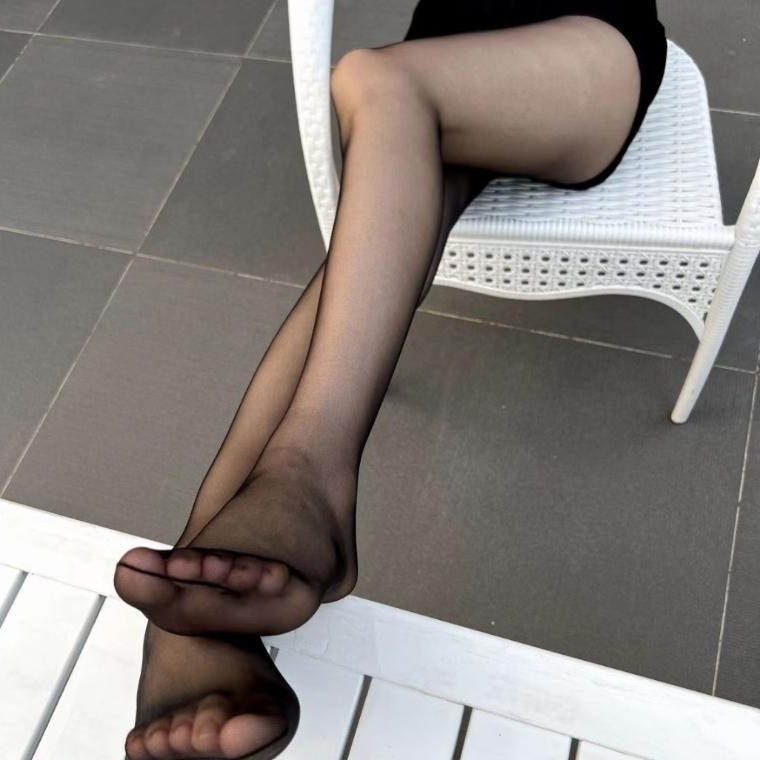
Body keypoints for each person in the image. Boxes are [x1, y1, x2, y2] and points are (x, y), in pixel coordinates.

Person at [112, 2, 668, 758]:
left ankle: (303, 485)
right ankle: (213, 600)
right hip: (446, 51)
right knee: (413, 158)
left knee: (376, 81)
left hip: (586, 52)